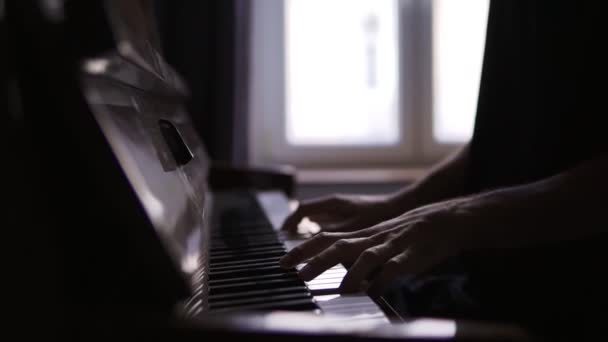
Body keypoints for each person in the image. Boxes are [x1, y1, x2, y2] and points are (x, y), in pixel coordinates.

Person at [279, 0, 605, 336]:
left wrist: (456, 219)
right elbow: (504, 131)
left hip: (570, 311)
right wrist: (395, 206)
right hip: (484, 288)